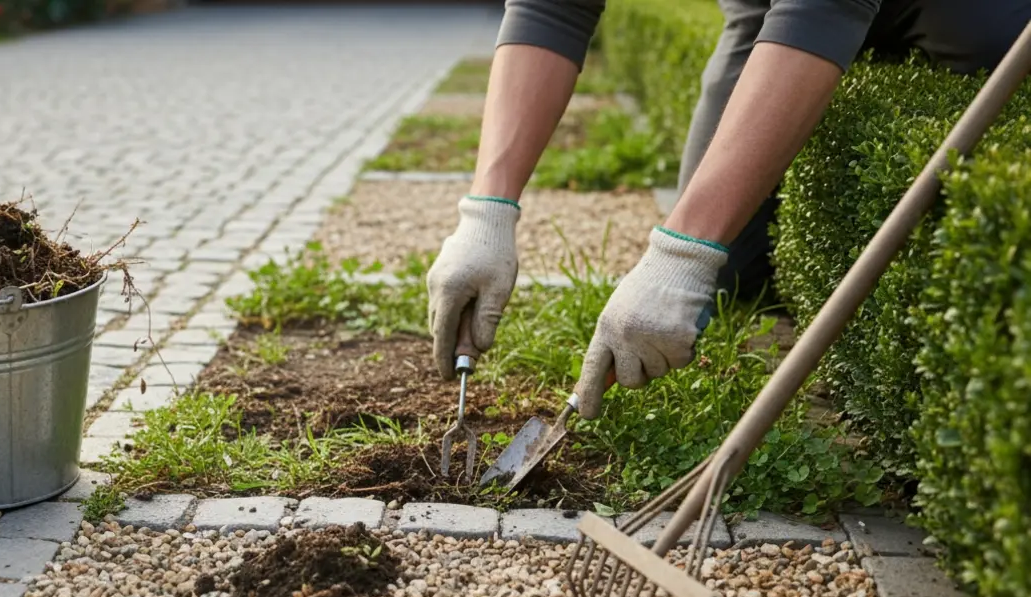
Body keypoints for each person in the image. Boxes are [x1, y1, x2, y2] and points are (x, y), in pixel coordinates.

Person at [425, 0, 1031, 419]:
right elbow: (553, 8)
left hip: (961, 16)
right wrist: (487, 212)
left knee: (987, 32)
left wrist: (681, 252)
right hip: (768, 7)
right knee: (732, 268)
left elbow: (825, 6)